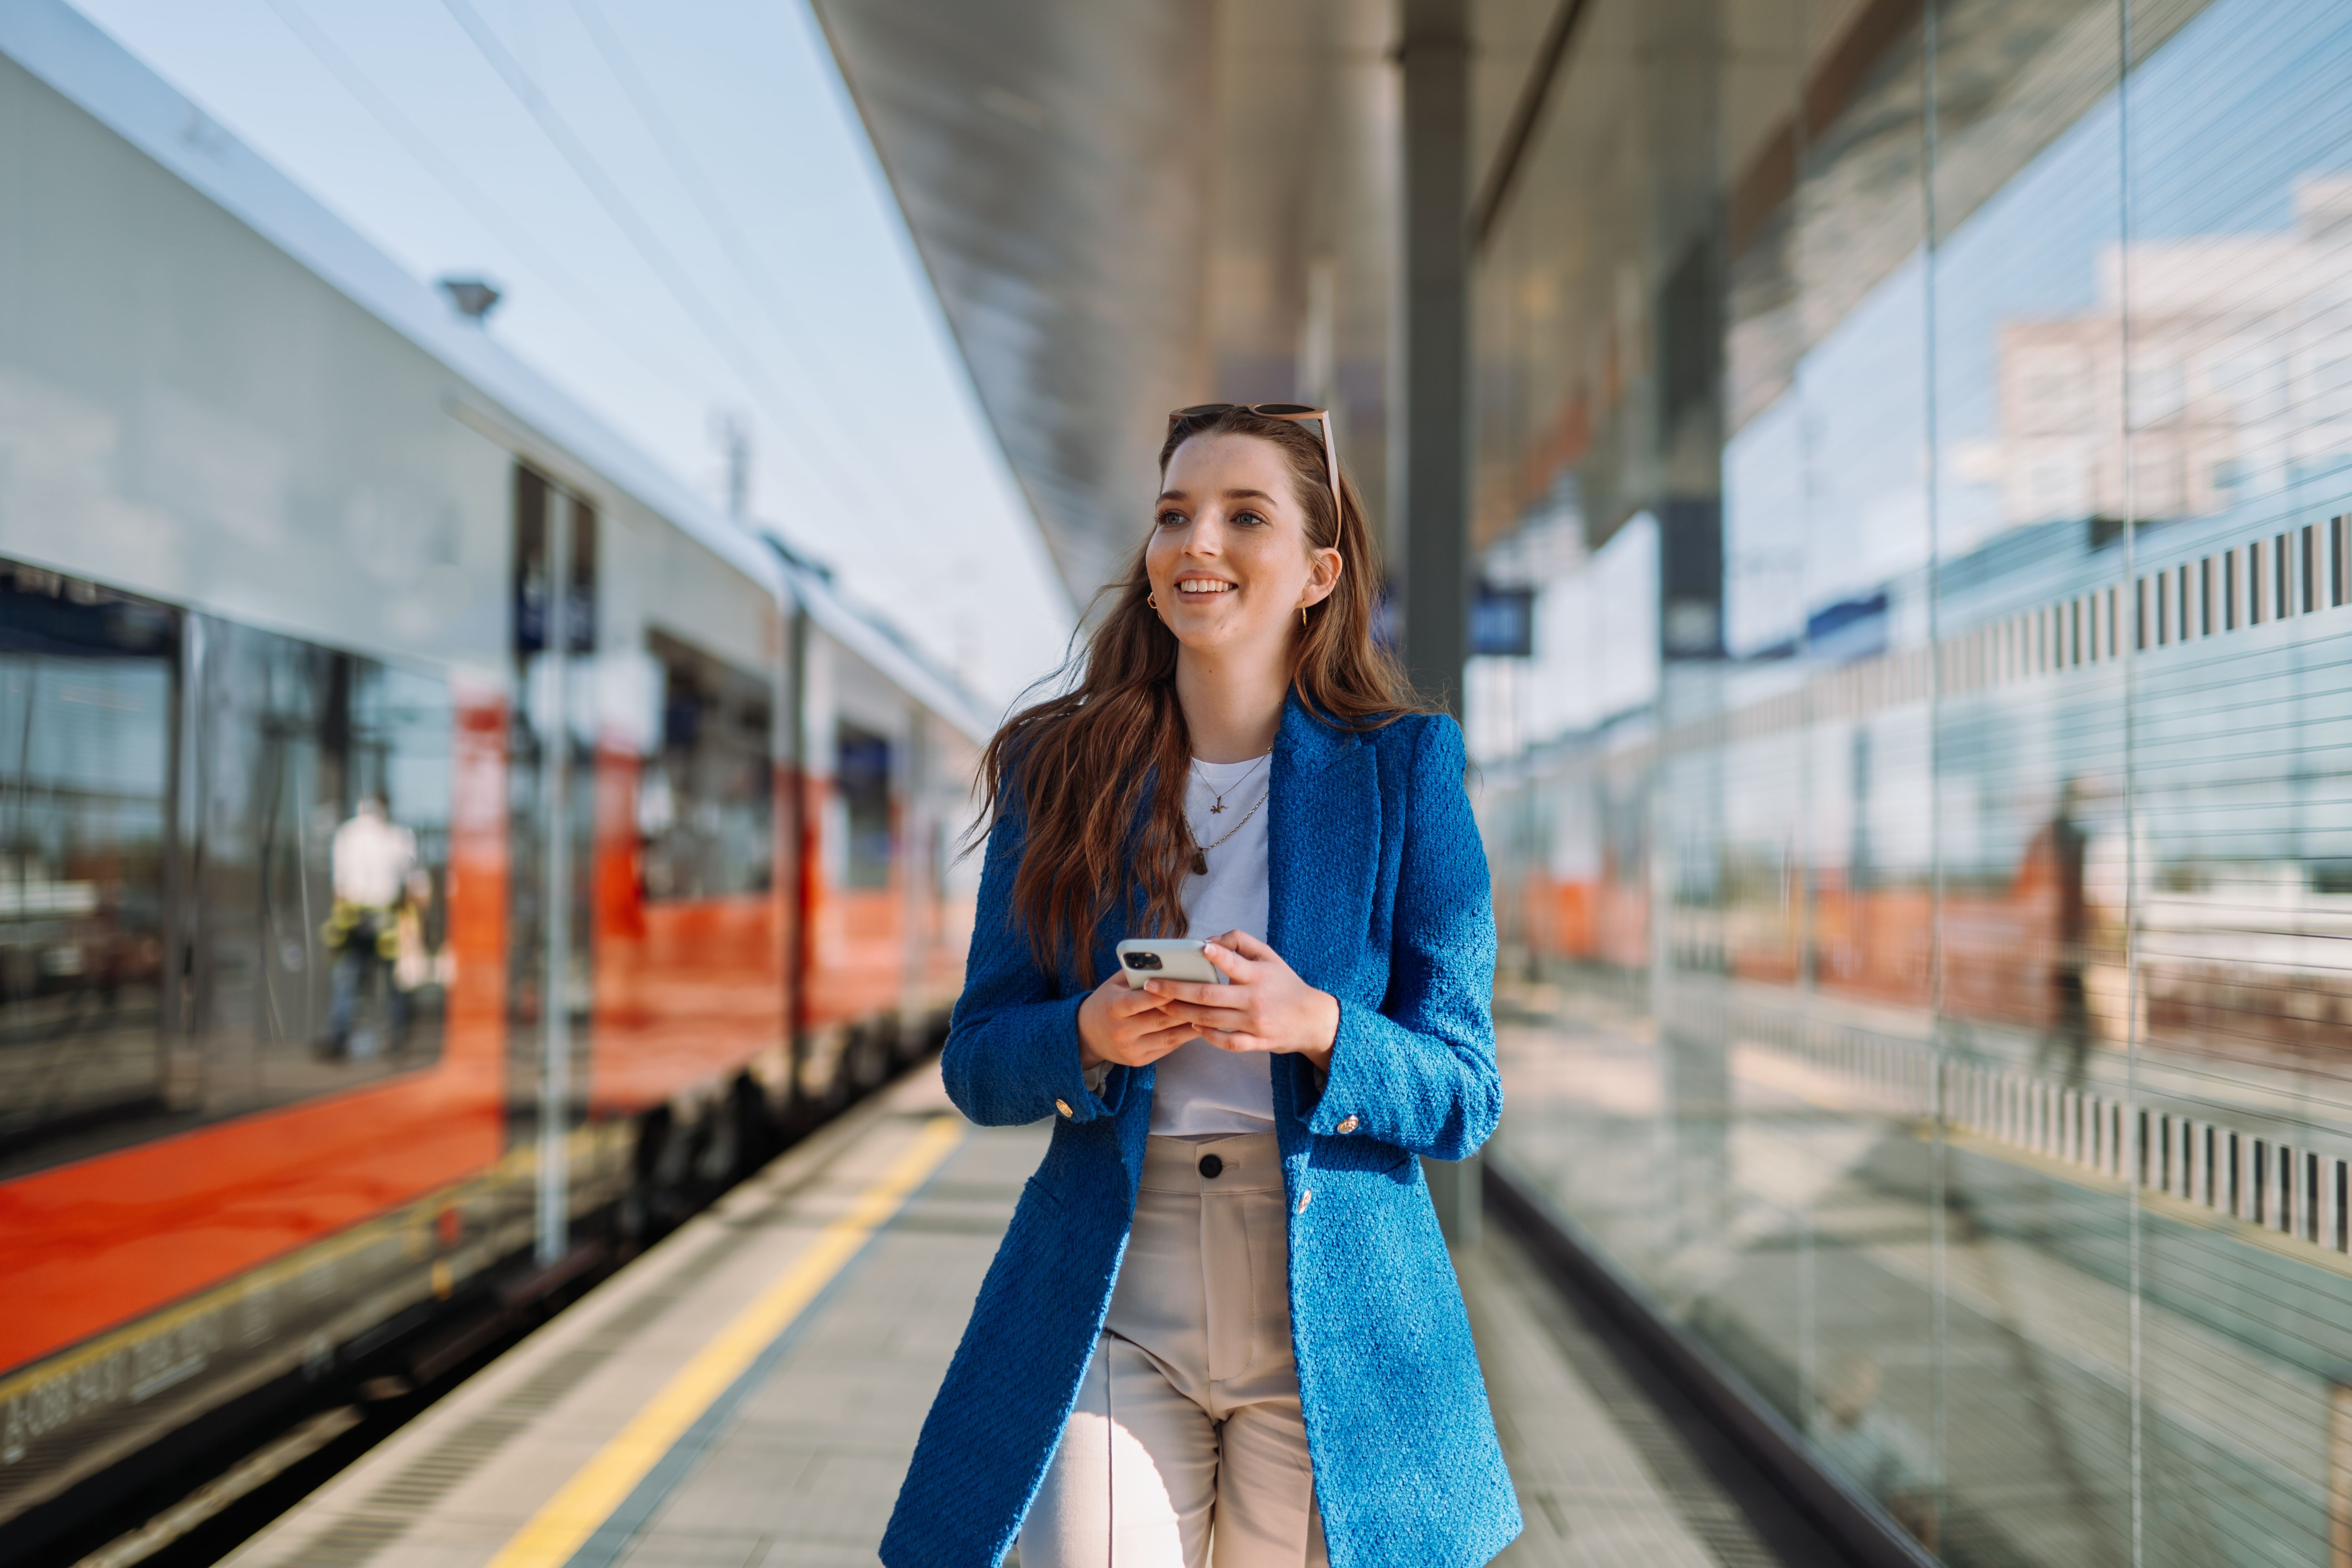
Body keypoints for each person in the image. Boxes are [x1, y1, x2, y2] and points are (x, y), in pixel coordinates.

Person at [882, 405, 1519, 1568]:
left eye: (1244, 516)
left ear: (1319, 574)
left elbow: (1465, 1091)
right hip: (1114, 1288)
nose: (1197, 542)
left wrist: (1317, 1025)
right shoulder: (1056, 767)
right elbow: (977, 1059)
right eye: (1173, 514)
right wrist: (1084, 1031)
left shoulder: (1402, 769)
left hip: (1335, 1311)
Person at [322, 794, 416, 1058]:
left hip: (363, 914)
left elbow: (339, 883)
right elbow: (411, 880)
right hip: (379, 914)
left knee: (352, 977)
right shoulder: (397, 836)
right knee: (384, 979)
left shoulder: (351, 834)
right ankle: (392, 1036)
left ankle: (343, 1036)